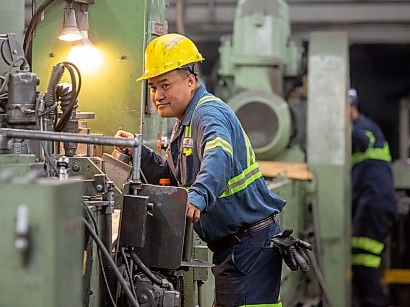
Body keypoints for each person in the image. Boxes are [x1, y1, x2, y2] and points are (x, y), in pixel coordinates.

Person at [116, 33, 289, 306]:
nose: (157, 95)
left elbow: (218, 154)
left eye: (165, 85)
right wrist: (139, 153)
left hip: (249, 248)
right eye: (152, 87)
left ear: (190, 80)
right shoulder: (184, 123)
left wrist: (198, 194)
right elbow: (173, 181)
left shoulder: (208, 114)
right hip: (233, 249)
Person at [349, 88, 397, 307]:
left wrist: (340, 126)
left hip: (375, 203)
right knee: (362, 265)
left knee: (364, 264)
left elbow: (362, 140)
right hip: (371, 203)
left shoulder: (365, 128)